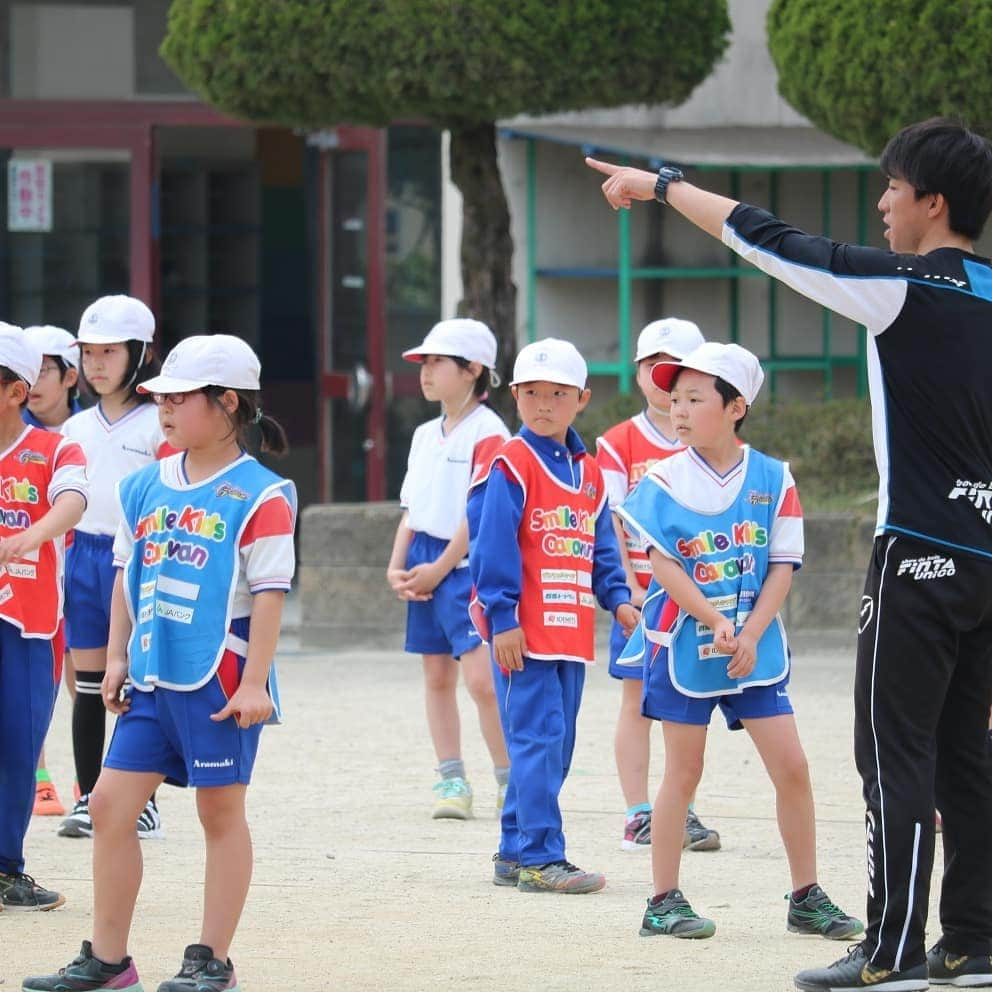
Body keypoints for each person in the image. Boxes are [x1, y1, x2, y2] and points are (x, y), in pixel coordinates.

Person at [588, 116, 992, 990]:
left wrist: (662, 186)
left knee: (896, 755)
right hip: (988, 561)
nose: (881, 203)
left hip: (918, 551)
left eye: (892, 187)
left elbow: (771, 240)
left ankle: (891, 954)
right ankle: (974, 941)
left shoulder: (904, 286)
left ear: (933, 201)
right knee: (969, 753)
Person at [23, 333, 296, 992]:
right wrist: (116, 657)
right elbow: (125, 573)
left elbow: (268, 594)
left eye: (179, 399)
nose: (164, 410)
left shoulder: (263, 494)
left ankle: (212, 960)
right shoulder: (146, 484)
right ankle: (110, 961)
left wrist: (257, 681)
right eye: (160, 399)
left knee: (218, 815)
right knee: (111, 806)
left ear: (228, 402)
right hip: (150, 674)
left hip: (221, 678)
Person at [615, 341, 861, 942]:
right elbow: (662, 564)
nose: (678, 410)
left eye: (695, 398)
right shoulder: (664, 479)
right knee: (684, 770)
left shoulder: (774, 478)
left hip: (757, 648)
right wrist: (714, 620)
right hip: (682, 646)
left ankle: (806, 896)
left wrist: (749, 631)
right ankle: (663, 901)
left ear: (736, 407)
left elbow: (782, 564)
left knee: (793, 767)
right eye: (674, 398)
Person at [468, 337, 639, 894]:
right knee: (536, 741)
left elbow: (601, 548)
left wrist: (618, 599)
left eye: (558, 394)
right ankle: (543, 856)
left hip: (571, 634)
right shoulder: (510, 462)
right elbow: (491, 543)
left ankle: (514, 849)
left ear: (582, 399)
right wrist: (502, 617)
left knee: (553, 746)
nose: (544, 404)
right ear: (516, 395)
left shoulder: (589, 474)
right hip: (525, 633)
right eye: (532, 393)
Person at [595, 316, 720, 854]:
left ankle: (680, 807)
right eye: (653, 366)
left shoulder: (711, 438)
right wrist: (625, 590)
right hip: (643, 600)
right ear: (639, 372)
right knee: (636, 702)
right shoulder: (618, 441)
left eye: (678, 369)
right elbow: (611, 522)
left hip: (698, 599)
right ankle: (638, 812)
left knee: (685, 705)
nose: (663, 378)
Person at [386, 318, 511, 820]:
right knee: (436, 674)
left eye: (437, 362)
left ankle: (510, 781)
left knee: (481, 680)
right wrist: (398, 566)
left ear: (472, 369)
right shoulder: (422, 435)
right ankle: (451, 779)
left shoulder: (491, 432)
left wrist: (440, 567)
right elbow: (411, 508)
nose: (425, 372)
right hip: (425, 560)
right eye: (424, 363)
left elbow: (477, 515)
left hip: (464, 566)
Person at [58, 295, 171, 841]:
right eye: (89, 352)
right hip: (82, 553)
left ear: (140, 354)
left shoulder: (158, 423)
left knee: (131, 680)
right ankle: (86, 797)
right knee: (84, 682)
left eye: (110, 351)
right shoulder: (76, 428)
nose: (97, 363)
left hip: (138, 558)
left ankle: (140, 801)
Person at [0, 324, 88, 912]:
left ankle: (7, 868)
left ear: (15, 391)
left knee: (17, 744)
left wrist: (31, 534)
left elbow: (74, 499)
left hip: (29, 625)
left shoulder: (56, 449)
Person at [21, 324, 84, 817]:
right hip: (26, 572)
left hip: (82, 562)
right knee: (30, 675)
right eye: (29, 367)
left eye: (46, 368)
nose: (35, 380)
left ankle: (91, 781)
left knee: (80, 672)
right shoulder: (10, 428)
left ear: (70, 376)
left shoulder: (83, 432)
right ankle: (38, 775)